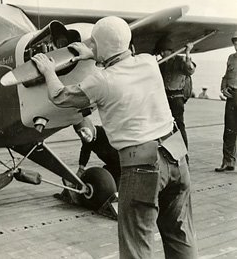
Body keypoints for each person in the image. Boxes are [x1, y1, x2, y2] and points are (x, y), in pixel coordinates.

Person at [32, 16, 197, 258]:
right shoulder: (148, 62)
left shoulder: (101, 81)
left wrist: (48, 70)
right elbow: (116, 56)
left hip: (143, 166)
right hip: (176, 156)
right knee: (180, 234)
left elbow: (60, 96)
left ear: (101, 47)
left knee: (136, 245)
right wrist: (94, 53)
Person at [156, 37, 195, 149]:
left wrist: (188, 53)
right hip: (165, 99)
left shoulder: (180, 61)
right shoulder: (161, 64)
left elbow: (190, 70)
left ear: (170, 50)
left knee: (179, 126)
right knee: (165, 127)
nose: (162, 53)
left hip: (176, 98)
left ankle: (184, 155)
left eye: (164, 51)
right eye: (161, 51)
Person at [74, 117, 120, 186]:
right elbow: (85, 151)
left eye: (84, 130)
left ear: (91, 127)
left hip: (123, 167)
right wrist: (81, 169)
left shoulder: (106, 133)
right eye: (79, 133)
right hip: (112, 167)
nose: (83, 135)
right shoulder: (88, 139)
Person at [215, 31, 237, 172]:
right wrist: (223, 88)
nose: (236, 44)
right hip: (232, 97)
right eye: (235, 41)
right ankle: (227, 162)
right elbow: (225, 76)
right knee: (229, 130)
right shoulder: (231, 58)